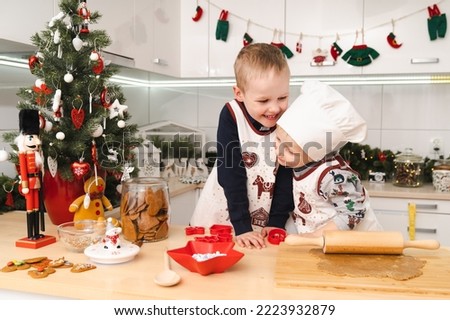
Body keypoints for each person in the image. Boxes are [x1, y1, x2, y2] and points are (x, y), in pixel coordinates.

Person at [190, 43, 294, 249]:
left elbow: (286, 175)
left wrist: (276, 222)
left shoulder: (289, 119)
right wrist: (242, 226)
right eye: (263, 100)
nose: (275, 108)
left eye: (282, 97)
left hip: (267, 219)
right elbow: (231, 173)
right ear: (239, 93)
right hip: (226, 214)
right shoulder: (231, 115)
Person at [276, 80, 382, 237]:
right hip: (324, 244)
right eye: (277, 140)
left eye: (290, 150)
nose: (279, 151)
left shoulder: (332, 176)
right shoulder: (301, 163)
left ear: (316, 153)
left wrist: (313, 235)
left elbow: (353, 213)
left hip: (357, 244)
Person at [16, 109, 45, 240]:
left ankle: (37, 232)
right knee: (30, 207)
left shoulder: (38, 154)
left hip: (36, 183)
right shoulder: (23, 155)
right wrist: (25, 184)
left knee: (37, 207)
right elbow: (23, 170)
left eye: (36, 137)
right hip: (28, 183)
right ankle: (30, 234)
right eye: (32, 138)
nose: (37, 142)